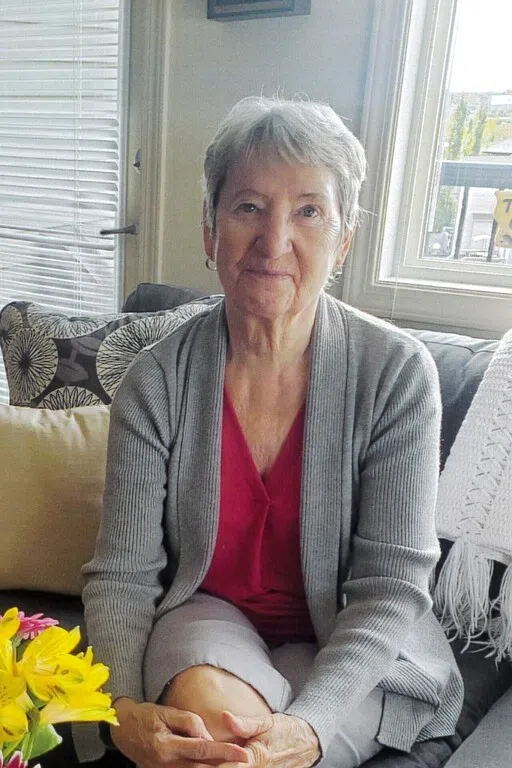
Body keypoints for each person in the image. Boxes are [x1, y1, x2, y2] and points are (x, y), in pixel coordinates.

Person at [82, 96, 464, 768]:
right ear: (210, 231)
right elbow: (124, 574)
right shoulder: (156, 381)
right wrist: (118, 708)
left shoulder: (397, 374)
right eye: (249, 207)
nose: (274, 239)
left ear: (343, 241)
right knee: (215, 740)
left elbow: (388, 588)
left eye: (308, 211)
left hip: (357, 639)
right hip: (209, 617)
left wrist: (309, 728)